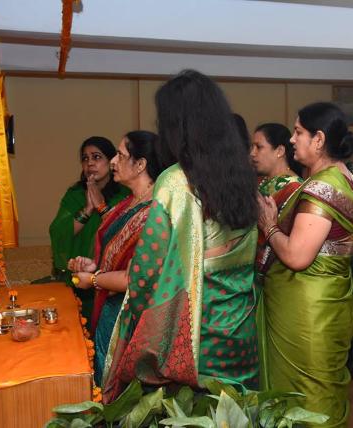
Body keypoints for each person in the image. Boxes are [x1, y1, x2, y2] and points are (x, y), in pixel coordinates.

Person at [101, 70, 260, 403]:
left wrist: (140, 313)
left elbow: (147, 270)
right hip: (239, 328)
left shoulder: (176, 181)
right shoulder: (242, 174)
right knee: (232, 412)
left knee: (190, 413)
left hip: (194, 337)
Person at [258, 102, 353, 427]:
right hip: (331, 299)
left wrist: (269, 226)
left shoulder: (320, 190)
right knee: (322, 391)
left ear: (319, 139)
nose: (294, 139)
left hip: (306, 312)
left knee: (305, 397)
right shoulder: (346, 180)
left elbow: (298, 256)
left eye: (299, 132)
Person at [67, 131, 161, 385]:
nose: (112, 162)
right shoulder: (129, 203)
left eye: (120, 155)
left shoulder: (155, 211)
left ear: (141, 165)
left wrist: (94, 279)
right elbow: (115, 255)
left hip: (129, 319)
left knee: (120, 393)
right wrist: (94, 266)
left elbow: (135, 278)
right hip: (111, 310)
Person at [49, 136, 130, 320]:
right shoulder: (75, 195)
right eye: (85, 158)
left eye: (96, 157)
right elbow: (59, 232)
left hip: (112, 283)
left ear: (111, 161)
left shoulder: (125, 195)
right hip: (78, 276)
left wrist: (101, 206)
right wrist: (87, 208)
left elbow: (123, 233)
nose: (90, 163)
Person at [251, 122, 304, 280]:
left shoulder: (294, 188)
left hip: (277, 273)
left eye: (258, 147)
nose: (252, 153)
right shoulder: (260, 181)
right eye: (252, 147)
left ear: (280, 151)